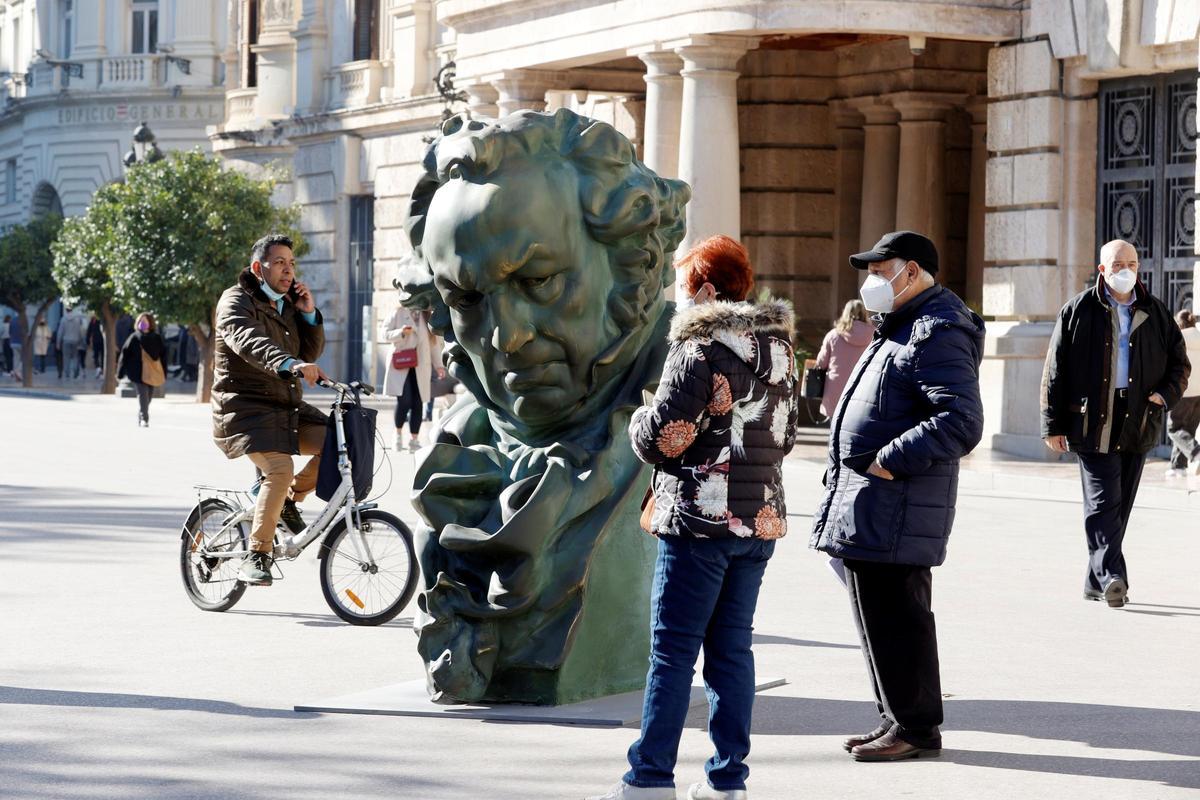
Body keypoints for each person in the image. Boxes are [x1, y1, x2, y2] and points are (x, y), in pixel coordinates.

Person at [592, 236, 798, 800]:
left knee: (672, 651)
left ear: (706, 290)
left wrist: (641, 416)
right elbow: (787, 436)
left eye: (685, 286)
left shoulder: (697, 350)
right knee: (733, 651)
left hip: (699, 522)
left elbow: (664, 439)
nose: (680, 298)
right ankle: (728, 781)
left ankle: (650, 777)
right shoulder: (780, 352)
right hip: (758, 520)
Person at [810, 230, 984, 763]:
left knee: (899, 617)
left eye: (881, 271)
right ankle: (895, 716)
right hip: (872, 501)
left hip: (897, 502)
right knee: (877, 618)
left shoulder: (936, 330)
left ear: (912, 273)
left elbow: (961, 420)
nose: (872, 282)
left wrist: (888, 459)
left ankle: (916, 726)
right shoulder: (901, 326)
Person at [1041, 239, 1189, 608]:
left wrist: (1163, 396)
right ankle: (1113, 577)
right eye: (1118, 264)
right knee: (1103, 501)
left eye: (1132, 263)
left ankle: (1095, 580)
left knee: (1120, 504)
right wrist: (1052, 424)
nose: (1126, 270)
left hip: (1139, 416)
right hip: (1091, 418)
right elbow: (1055, 370)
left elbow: (1180, 365)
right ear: (1102, 269)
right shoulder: (1077, 310)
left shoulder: (1155, 312)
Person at [211, 234, 328, 588]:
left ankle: (290, 499)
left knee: (343, 437)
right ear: (258, 268)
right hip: (243, 409)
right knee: (279, 468)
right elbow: (248, 341)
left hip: (285, 405)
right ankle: (256, 554)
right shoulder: (235, 302)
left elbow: (310, 351)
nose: (288, 270)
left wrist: (308, 315)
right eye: (280, 263)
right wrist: (289, 363)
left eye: (292, 264)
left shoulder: (288, 305)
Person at [380, 300, 441, 452]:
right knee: (404, 401)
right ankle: (398, 434)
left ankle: (414, 440)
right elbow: (384, 334)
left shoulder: (427, 315)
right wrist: (401, 333)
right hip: (401, 364)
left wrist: (439, 365)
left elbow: (433, 344)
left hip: (421, 366)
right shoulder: (398, 312)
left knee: (418, 403)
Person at [814, 299, 875, 417]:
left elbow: (821, 363)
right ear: (864, 313)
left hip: (836, 389)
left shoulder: (833, 335)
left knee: (834, 429)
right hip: (864, 388)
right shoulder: (874, 335)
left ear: (845, 313)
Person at [1164, 310, 1200, 477]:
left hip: (1183, 391)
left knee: (1174, 428)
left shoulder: (1178, 340)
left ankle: (1196, 452)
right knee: (1188, 428)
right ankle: (1178, 466)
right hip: (1199, 393)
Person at [116, 313, 167, 426]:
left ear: (150, 323)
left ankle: (141, 413)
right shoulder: (134, 337)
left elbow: (163, 355)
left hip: (152, 372)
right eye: (140, 321)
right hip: (137, 372)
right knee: (143, 394)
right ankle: (144, 418)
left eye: (145, 321)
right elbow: (124, 355)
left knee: (149, 395)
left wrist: (164, 372)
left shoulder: (156, 338)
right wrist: (120, 373)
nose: (142, 323)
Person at [56, 307, 86, 380]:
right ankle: (75, 373)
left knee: (66, 358)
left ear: (66, 310)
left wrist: (58, 343)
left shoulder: (63, 319)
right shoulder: (77, 320)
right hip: (76, 341)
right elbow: (80, 331)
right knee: (75, 357)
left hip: (66, 341)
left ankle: (67, 374)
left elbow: (60, 332)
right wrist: (82, 341)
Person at [86, 314, 104, 378]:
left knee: (96, 355)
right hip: (102, 341)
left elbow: (89, 332)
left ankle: (98, 368)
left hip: (96, 341)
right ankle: (101, 369)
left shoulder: (93, 321)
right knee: (102, 356)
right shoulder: (102, 320)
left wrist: (87, 342)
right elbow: (89, 331)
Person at [8, 314, 23, 379]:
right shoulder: (23, 320)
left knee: (15, 358)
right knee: (23, 358)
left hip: (13, 342)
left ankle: (15, 372)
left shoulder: (12, 320)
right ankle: (18, 371)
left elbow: (10, 332)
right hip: (21, 343)